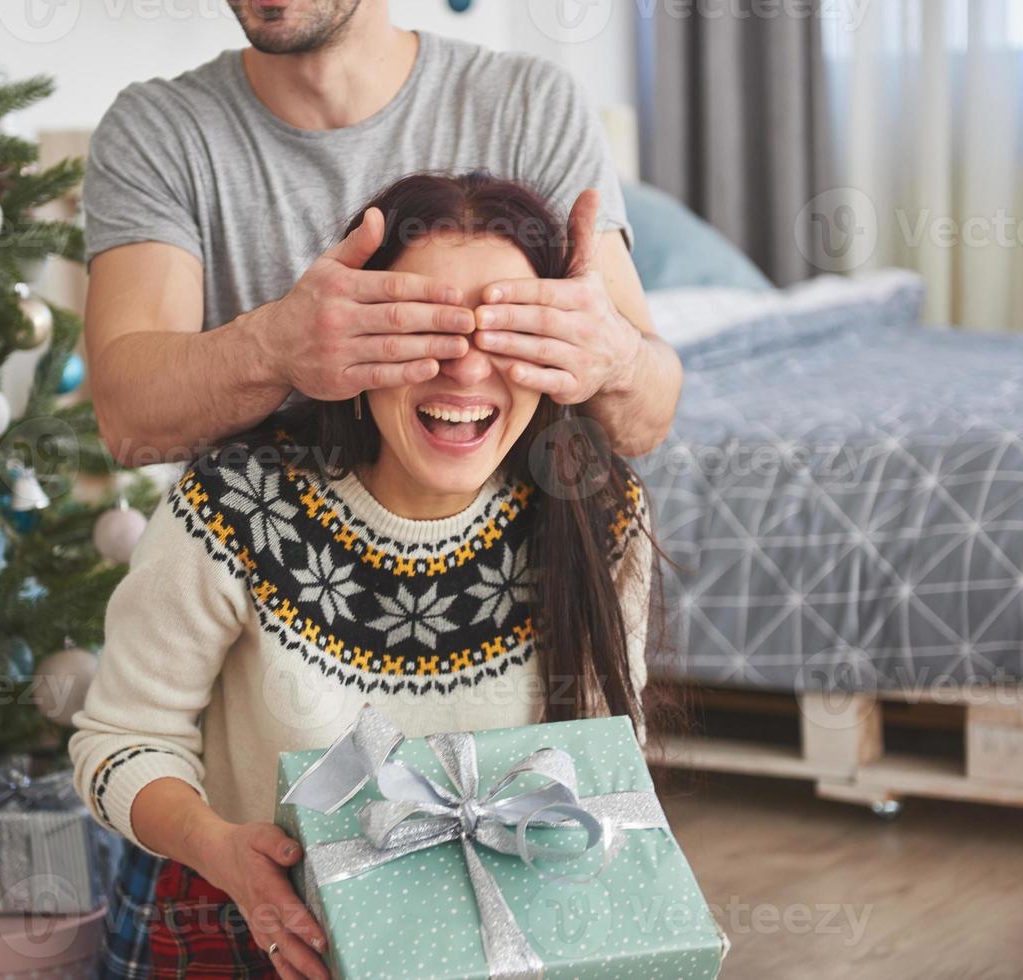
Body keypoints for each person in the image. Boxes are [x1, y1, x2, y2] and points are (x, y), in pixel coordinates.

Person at [71, 173, 657, 980]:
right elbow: (119, 743)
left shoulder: (596, 510)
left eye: (507, 332)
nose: (464, 370)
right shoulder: (235, 506)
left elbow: (604, 771)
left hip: (512, 941)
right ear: (353, 341)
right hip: (265, 938)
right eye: (423, 329)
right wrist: (221, 849)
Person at [82, 0, 682, 468]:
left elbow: (645, 424)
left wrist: (615, 358)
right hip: (259, 574)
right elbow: (128, 423)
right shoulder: (156, 132)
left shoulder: (530, 106)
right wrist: (271, 349)